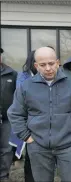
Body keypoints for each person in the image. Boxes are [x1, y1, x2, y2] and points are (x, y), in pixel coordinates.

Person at [7, 46, 71, 182]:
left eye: (51, 63)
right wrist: (26, 137)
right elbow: (15, 113)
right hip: (38, 146)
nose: (48, 68)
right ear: (36, 65)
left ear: (57, 62)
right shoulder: (26, 87)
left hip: (68, 145)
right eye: (43, 65)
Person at [9, 50, 37, 182]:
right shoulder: (23, 76)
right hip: (27, 120)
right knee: (30, 154)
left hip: (42, 121)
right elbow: (22, 97)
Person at [0, 47, 17, 181]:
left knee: (6, 149)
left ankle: (4, 176)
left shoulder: (12, 74)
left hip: (7, 119)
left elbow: (17, 96)